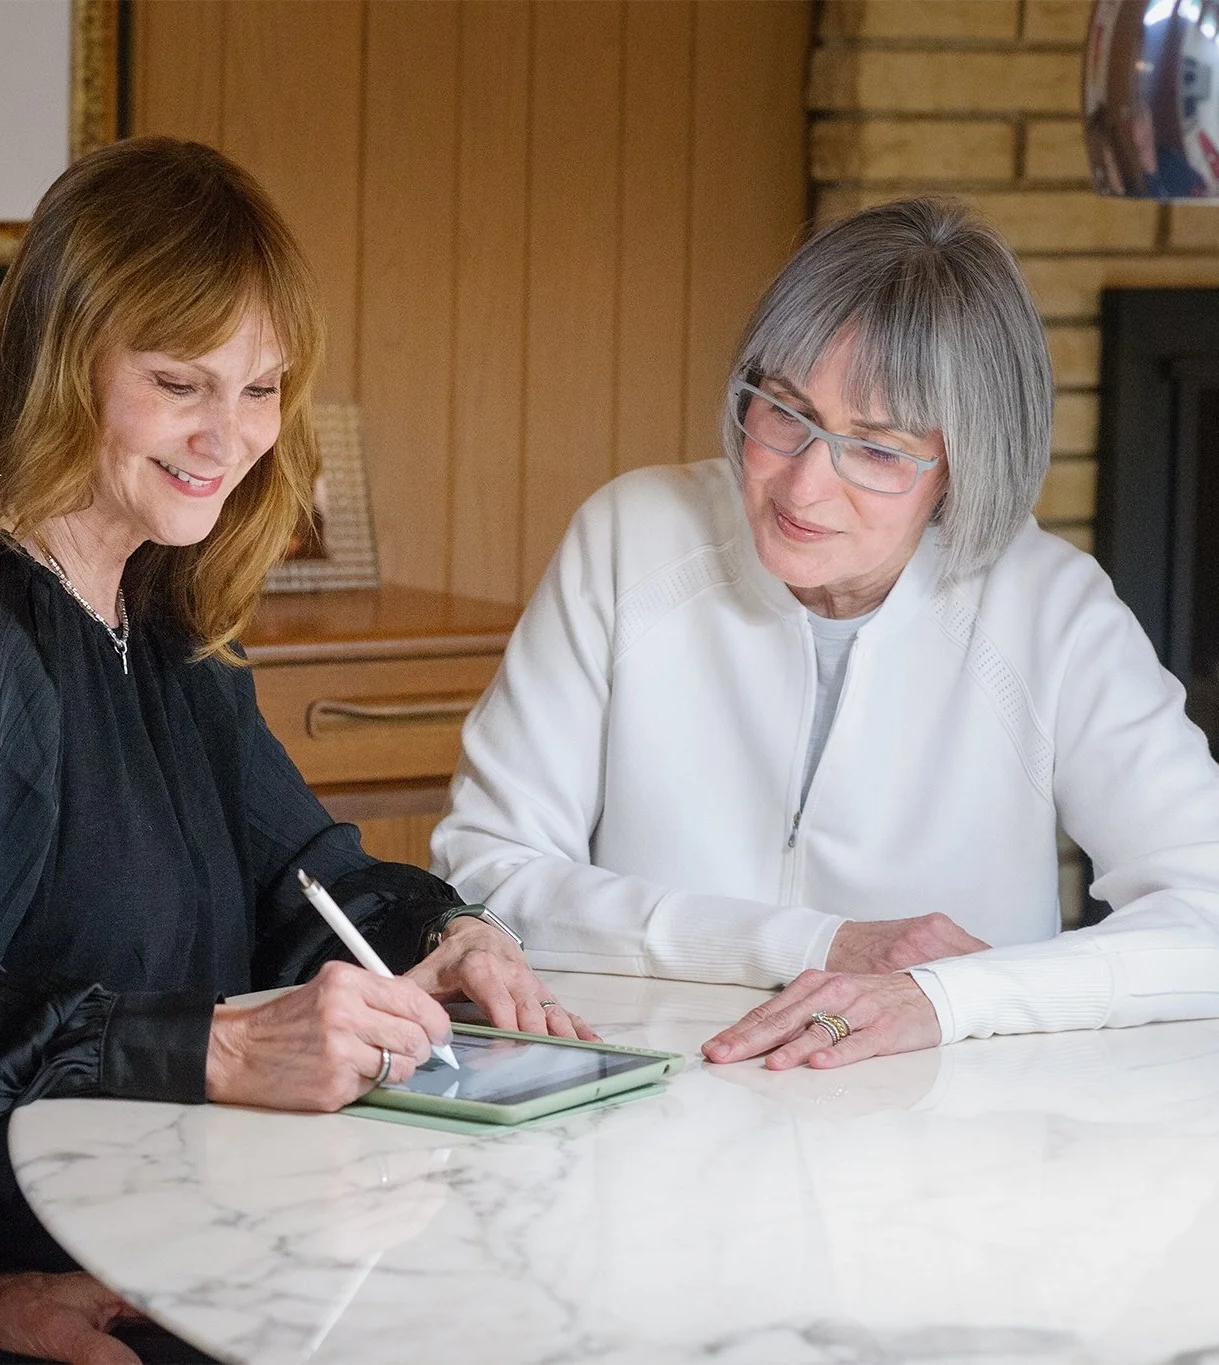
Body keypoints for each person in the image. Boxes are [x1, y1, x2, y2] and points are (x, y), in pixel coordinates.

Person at [0, 137, 581, 1351]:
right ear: (63, 364)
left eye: (259, 390)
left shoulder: (159, 605)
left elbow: (306, 872)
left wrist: (446, 936)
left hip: (160, 1232)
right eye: (180, 383)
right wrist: (214, 1048)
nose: (229, 437)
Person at [432, 197, 1219, 1074]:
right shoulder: (631, 538)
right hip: (646, 1097)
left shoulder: (1049, 611)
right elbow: (487, 879)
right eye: (783, 413)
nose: (803, 488)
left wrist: (943, 997)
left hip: (945, 1142)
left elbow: (1207, 909)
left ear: (963, 468)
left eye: (877, 450)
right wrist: (816, 943)